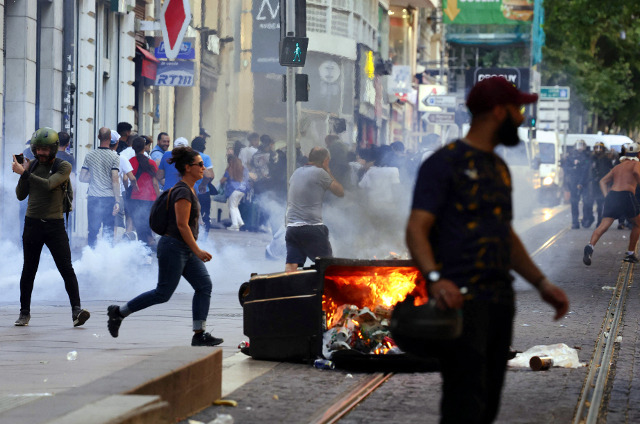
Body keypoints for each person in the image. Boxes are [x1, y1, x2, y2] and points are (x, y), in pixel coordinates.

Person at [405, 77, 569, 423]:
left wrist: (542, 284)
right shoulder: (443, 164)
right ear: (498, 111)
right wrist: (435, 278)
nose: (522, 119)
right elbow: (416, 229)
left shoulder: (499, 169)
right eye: (517, 110)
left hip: (500, 300)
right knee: (465, 403)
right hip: (463, 302)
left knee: (489, 403)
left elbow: (505, 237)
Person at [107, 147, 223, 347]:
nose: (204, 168)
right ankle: (118, 312)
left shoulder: (189, 188)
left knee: (204, 286)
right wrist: (197, 250)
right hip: (174, 247)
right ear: (188, 167)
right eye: (200, 165)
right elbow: (181, 225)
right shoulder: (183, 192)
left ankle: (199, 334)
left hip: (183, 248)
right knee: (163, 293)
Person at [11, 127, 91, 327]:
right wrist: (25, 173)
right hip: (32, 224)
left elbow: (48, 184)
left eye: (45, 150)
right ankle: (24, 313)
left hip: (55, 225)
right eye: (38, 149)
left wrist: (26, 173)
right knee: (29, 269)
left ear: (54, 149)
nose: (41, 153)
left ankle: (76, 310)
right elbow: (20, 195)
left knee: (66, 268)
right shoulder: (33, 166)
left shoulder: (63, 167)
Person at [285, 147, 344, 272]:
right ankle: (328, 291)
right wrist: (328, 170)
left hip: (292, 228)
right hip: (312, 228)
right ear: (326, 160)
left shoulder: (297, 172)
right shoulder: (320, 173)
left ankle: (289, 289)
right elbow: (340, 192)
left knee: (291, 265)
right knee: (328, 267)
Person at [583, 143, 640, 266]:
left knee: (603, 226)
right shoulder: (637, 164)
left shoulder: (618, 167)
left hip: (613, 195)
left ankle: (590, 246)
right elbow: (636, 172)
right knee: (638, 224)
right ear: (639, 154)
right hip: (627, 195)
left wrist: (606, 196)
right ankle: (630, 253)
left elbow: (602, 181)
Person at [79, 127, 122, 248]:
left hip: (93, 197)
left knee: (92, 230)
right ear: (110, 139)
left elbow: (82, 177)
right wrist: (117, 201)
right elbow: (115, 179)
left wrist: (95, 178)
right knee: (108, 231)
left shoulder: (90, 155)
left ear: (98, 137)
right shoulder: (114, 157)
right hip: (108, 198)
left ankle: (91, 258)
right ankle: (105, 258)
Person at [128, 136, 160, 247]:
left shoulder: (130, 162)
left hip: (135, 198)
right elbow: (155, 183)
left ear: (133, 147)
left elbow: (124, 179)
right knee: (147, 225)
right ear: (145, 147)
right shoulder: (151, 163)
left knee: (139, 226)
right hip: (150, 198)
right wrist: (159, 197)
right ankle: (149, 248)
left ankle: (144, 251)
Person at [561, 139, 591, 228]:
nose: (580, 147)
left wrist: (581, 181)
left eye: (582, 145)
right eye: (578, 145)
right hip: (573, 182)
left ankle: (586, 220)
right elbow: (566, 168)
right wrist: (573, 168)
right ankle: (575, 222)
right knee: (574, 202)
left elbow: (586, 169)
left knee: (587, 202)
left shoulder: (587, 155)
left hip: (585, 182)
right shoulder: (571, 156)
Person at [584, 141, 613, 228]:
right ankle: (589, 218)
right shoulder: (590, 158)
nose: (598, 150)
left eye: (600, 148)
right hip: (591, 185)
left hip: (602, 185)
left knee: (600, 205)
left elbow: (611, 172)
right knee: (588, 204)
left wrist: (609, 184)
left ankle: (600, 221)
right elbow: (586, 170)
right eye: (596, 148)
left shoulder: (607, 160)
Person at [220, 155, 250, 231]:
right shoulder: (244, 169)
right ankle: (241, 223)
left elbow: (223, 180)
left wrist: (221, 183)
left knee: (232, 207)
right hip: (243, 190)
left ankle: (235, 225)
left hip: (233, 190)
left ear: (231, 161)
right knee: (235, 206)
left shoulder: (230, 169)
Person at [191, 136, 215, 235]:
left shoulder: (187, 157)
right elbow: (211, 175)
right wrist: (203, 184)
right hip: (203, 191)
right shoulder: (205, 157)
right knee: (205, 215)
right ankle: (204, 239)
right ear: (203, 147)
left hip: (189, 191)